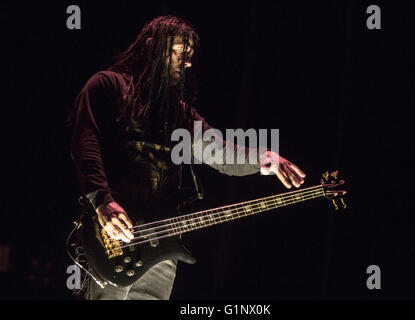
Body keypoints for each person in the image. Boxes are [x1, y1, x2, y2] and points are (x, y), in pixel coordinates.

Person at [69, 15, 305, 300]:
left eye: (191, 57)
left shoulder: (179, 114)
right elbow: (86, 144)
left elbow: (222, 153)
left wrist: (263, 158)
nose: (188, 63)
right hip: (110, 234)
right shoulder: (107, 86)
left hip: (160, 245)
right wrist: (102, 202)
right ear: (152, 47)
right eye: (181, 53)